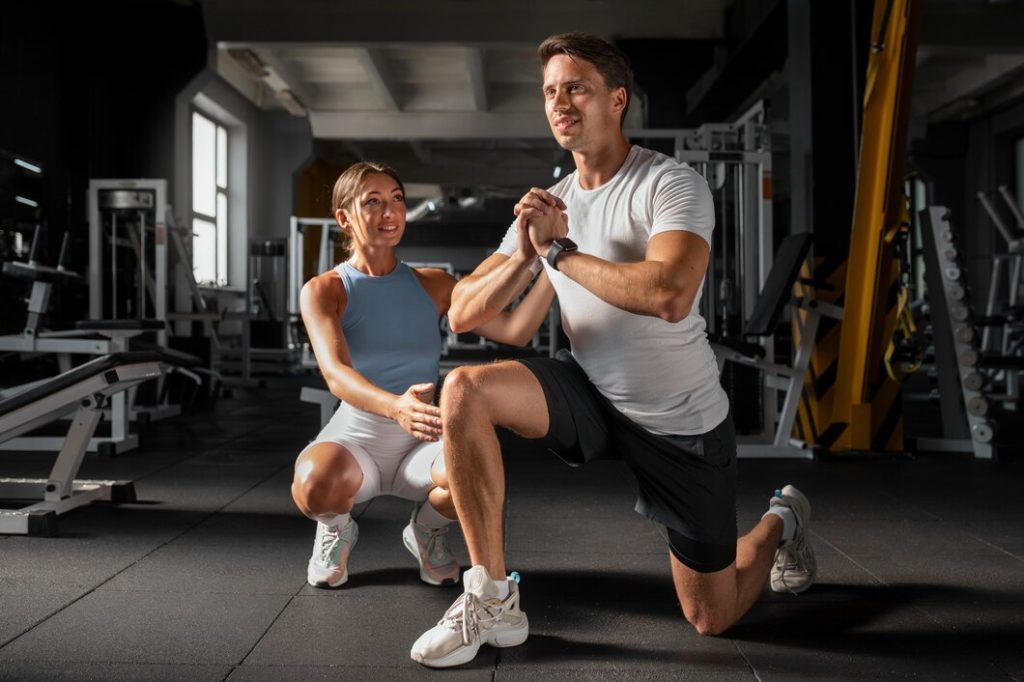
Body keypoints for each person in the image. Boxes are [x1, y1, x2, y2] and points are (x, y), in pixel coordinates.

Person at [410, 33, 817, 668]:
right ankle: (490, 600)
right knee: (465, 387)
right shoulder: (551, 206)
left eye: (575, 87)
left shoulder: (668, 184)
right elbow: (465, 312)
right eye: (550, 92)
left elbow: (670, 293)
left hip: (679, 420)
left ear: (617, 98)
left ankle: (782, 521)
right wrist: (523, 247)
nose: (559, 103)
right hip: (592, 391)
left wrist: (560, 253)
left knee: (713, 616)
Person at [291, 161, 552, 590]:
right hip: (357, 438)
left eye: (396, 200)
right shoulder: (326, 289)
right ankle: (338, 528)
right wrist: (396, 407)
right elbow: (337, 375)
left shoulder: (434, 284)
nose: (389, 212)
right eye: (372, 202)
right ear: (344, 217)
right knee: (314, 485)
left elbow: (514, 330)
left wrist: (548, 264)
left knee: (474, 472)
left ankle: (427, 530)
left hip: (423, 437)